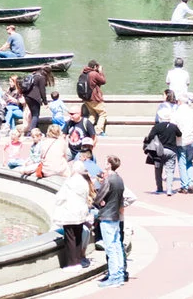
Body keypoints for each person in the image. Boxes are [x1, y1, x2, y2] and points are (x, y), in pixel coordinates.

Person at [52, 158, 93, 269]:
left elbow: (60, 197)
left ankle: (72, 264)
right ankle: (78, 261)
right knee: (78, 238)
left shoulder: (69, 182)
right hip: (81, 214)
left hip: (69, 214)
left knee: (70, 239)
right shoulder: (84, 182)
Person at [94, 155, 128, 286]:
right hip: (116, 216)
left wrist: (99, 202)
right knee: (117, 245)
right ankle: (119, 273)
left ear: (109, 165)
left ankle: (114, 276)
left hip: (107, 215)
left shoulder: (108, 180)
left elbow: (99, 197)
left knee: (110, 247)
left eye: (106, 162)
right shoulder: (120, 179)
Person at [143, 98, 182, 195]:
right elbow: (179, 134)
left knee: (158, 170)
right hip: (171, 150)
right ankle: (169, 189)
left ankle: (159, 188)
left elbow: (150, 136)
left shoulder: (157, 127)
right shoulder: (173, 126)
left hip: (158, 151)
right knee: (170, 171)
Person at [76, 62, 106, 135]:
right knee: (102, 114)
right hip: (94, 98)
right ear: (95, 66)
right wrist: (100, 72)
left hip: (86, 98)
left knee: (92, 114)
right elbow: (103, 81)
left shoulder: (83, 73)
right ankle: (98, 131)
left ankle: (86, 129)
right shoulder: (94, 74)